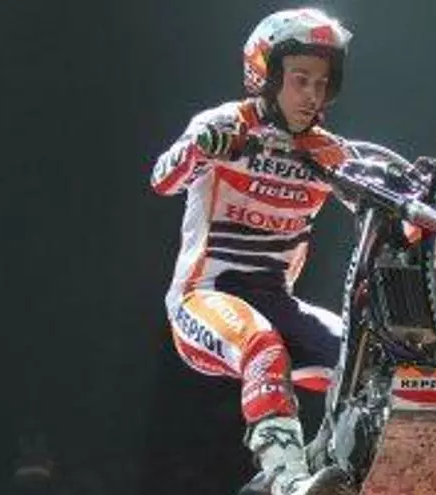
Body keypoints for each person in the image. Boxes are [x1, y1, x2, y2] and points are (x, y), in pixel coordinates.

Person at [150, 8, 360, 495]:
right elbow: (162, 179)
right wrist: (202, 147)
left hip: (279, 303)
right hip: (203, 298)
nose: (312, 95)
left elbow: (377, 203)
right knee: (262, 345)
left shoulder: (327, 151)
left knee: (365, 361)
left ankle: (380, 473)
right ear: (265, 76)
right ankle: (287, 480)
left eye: (321, 83)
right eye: (300, 80)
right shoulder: (226, 123)